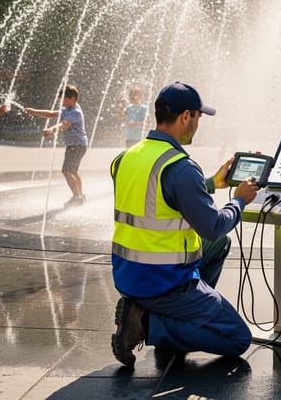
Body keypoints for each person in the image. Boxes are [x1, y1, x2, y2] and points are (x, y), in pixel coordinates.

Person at [109, 81, 260, 368]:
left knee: (218, 246)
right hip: (164, 282)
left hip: (127, 273)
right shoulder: (181, 167)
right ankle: (149, 324)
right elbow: (213, 225)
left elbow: (158, 196)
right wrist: (239, 200)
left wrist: (212, 184)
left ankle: (148, 311)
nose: (199, 124)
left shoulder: (126, 158)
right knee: (238, 339)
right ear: (185, 117)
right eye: (199, 117)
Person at [25, 85, 88, 206]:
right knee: (73, 171)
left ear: (73, 99)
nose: (61, 102)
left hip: (76, 145)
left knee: (66, 171)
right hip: (78, 145)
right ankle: (80, 194)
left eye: (63, 99)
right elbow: (52, 114)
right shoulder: (68, 109)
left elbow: (63, 125)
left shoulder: (75, 112)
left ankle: (77, 197)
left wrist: (51, 129)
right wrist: (35, 111)